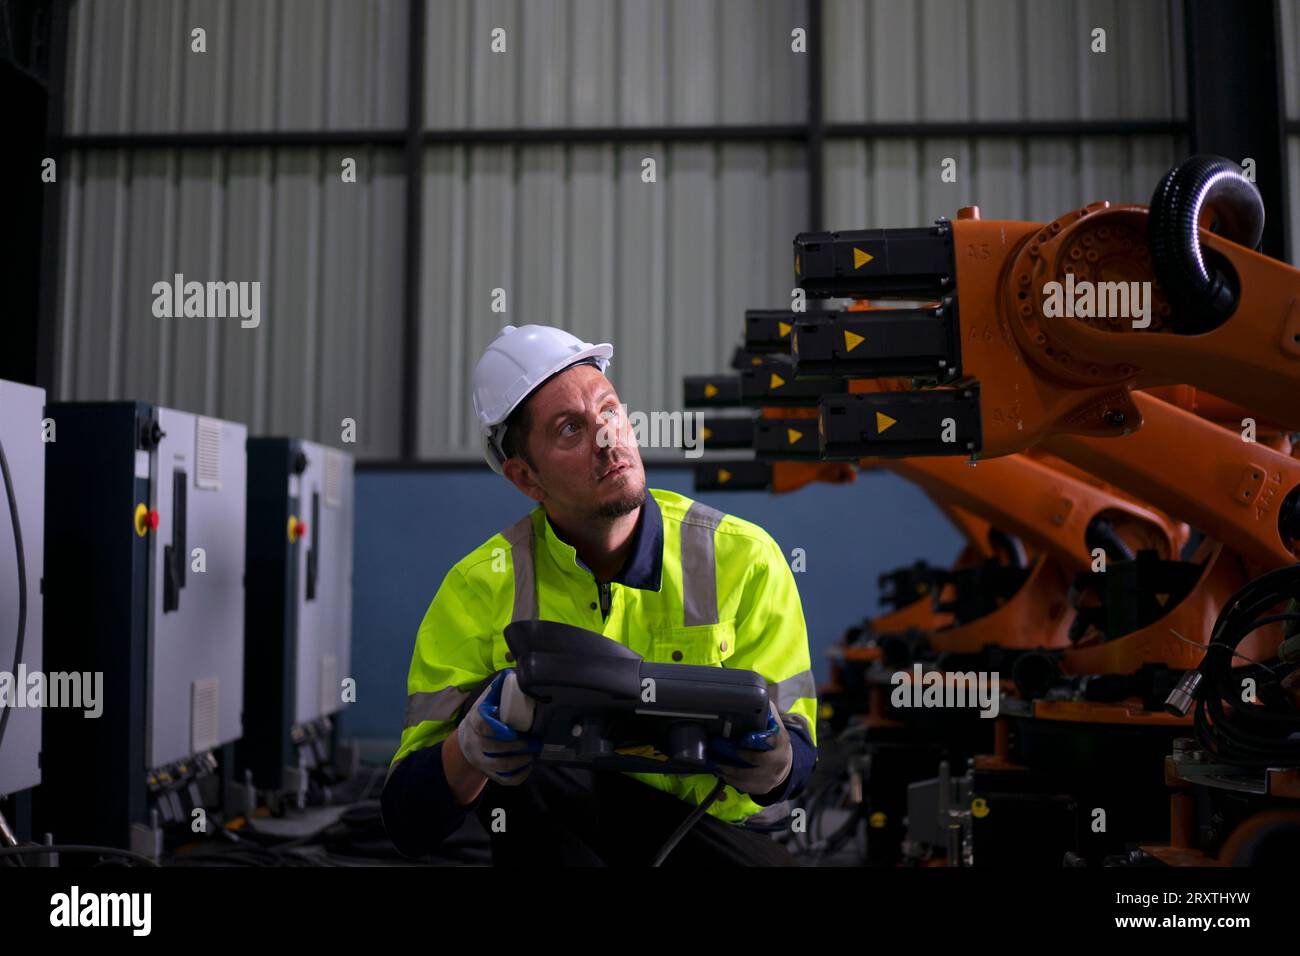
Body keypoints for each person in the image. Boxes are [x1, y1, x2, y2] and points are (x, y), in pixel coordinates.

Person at [381, 324, 818, 865]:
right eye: (571, 429)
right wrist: (468, 750)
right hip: (561, 839)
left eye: (610, 411)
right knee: (529, 770)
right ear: (525, 477)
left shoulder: (744, 559)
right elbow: (408, 821)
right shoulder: (479, 588)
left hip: (710, 840)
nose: (608, 439)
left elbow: (798, 760)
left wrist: (775, 763)